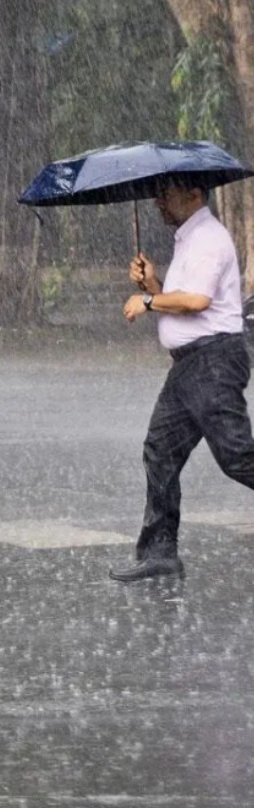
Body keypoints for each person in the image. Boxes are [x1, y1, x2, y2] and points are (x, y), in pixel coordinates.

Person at [113, 177, 254, 581]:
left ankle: (159, 550)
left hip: (212, 362)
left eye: (167, 194)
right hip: (189, 367)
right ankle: (160, 552)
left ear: (194, 195)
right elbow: (184, 301)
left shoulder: (209, 238)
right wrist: (154, 285)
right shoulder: (188, 239)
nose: (159, 202)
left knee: (237, 456)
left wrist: (147, 300)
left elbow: (197, 301)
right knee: (160, 451)